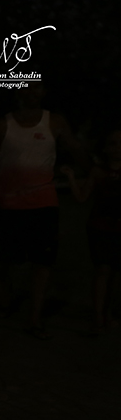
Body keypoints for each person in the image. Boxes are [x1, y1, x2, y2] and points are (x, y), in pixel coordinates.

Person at [0, 84, 87, 338]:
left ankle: (34, 315)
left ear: (43, 92)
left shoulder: (55, 122)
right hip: (8, 203)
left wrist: (93, 166)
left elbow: (76, 149)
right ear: (17, 93)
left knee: (42, 260)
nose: (31, 93)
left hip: (43, 202)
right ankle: (7, 295)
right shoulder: (2, 125)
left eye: (36, 88)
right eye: (26, 88)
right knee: (4, 258)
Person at [62, 127, 121, 334]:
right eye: (113, 143)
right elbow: (81, 198)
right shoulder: (98, 171)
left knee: (114, 273)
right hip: (100, 227)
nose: (117, 148)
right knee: (103, 270)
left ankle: (109, 314)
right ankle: (98, 316)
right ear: (105, 148)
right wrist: (70, 178)